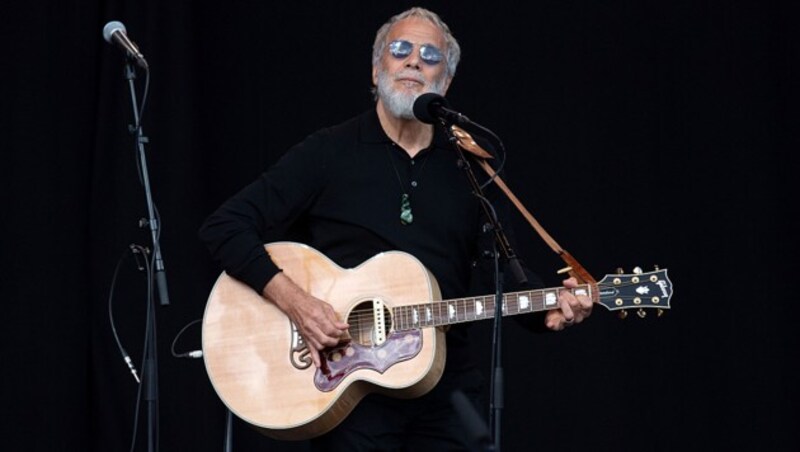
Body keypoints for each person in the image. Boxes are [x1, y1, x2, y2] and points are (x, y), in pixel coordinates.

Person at [199, 6, 593, 451]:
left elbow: (504, 274)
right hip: (348, 386)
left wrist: (549, 311)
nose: (414, 61)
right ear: (376, 67)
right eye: (400, 49)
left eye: (430, 56)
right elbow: (225, 226)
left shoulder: (468, 166)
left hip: (447, 389)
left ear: (444, 83)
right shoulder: (329, 151)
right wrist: (297, 303)